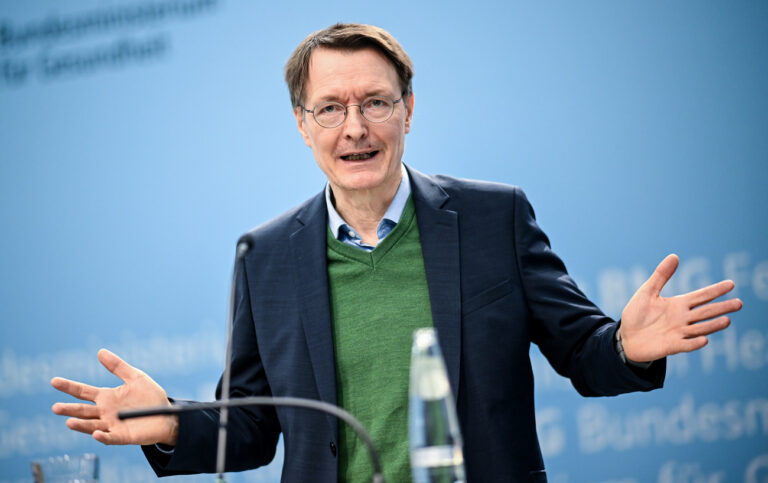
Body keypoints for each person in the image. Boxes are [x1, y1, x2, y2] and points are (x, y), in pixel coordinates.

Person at [50, 23, 743, 482]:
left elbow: (584, 355)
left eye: (376, 103)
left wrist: (629, 343)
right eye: (331, 108)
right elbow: (256, 426)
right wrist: (169, 419)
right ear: (302, 124)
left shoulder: (493, 217)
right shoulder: (263, 256)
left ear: (409, 109)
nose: (355, 127)